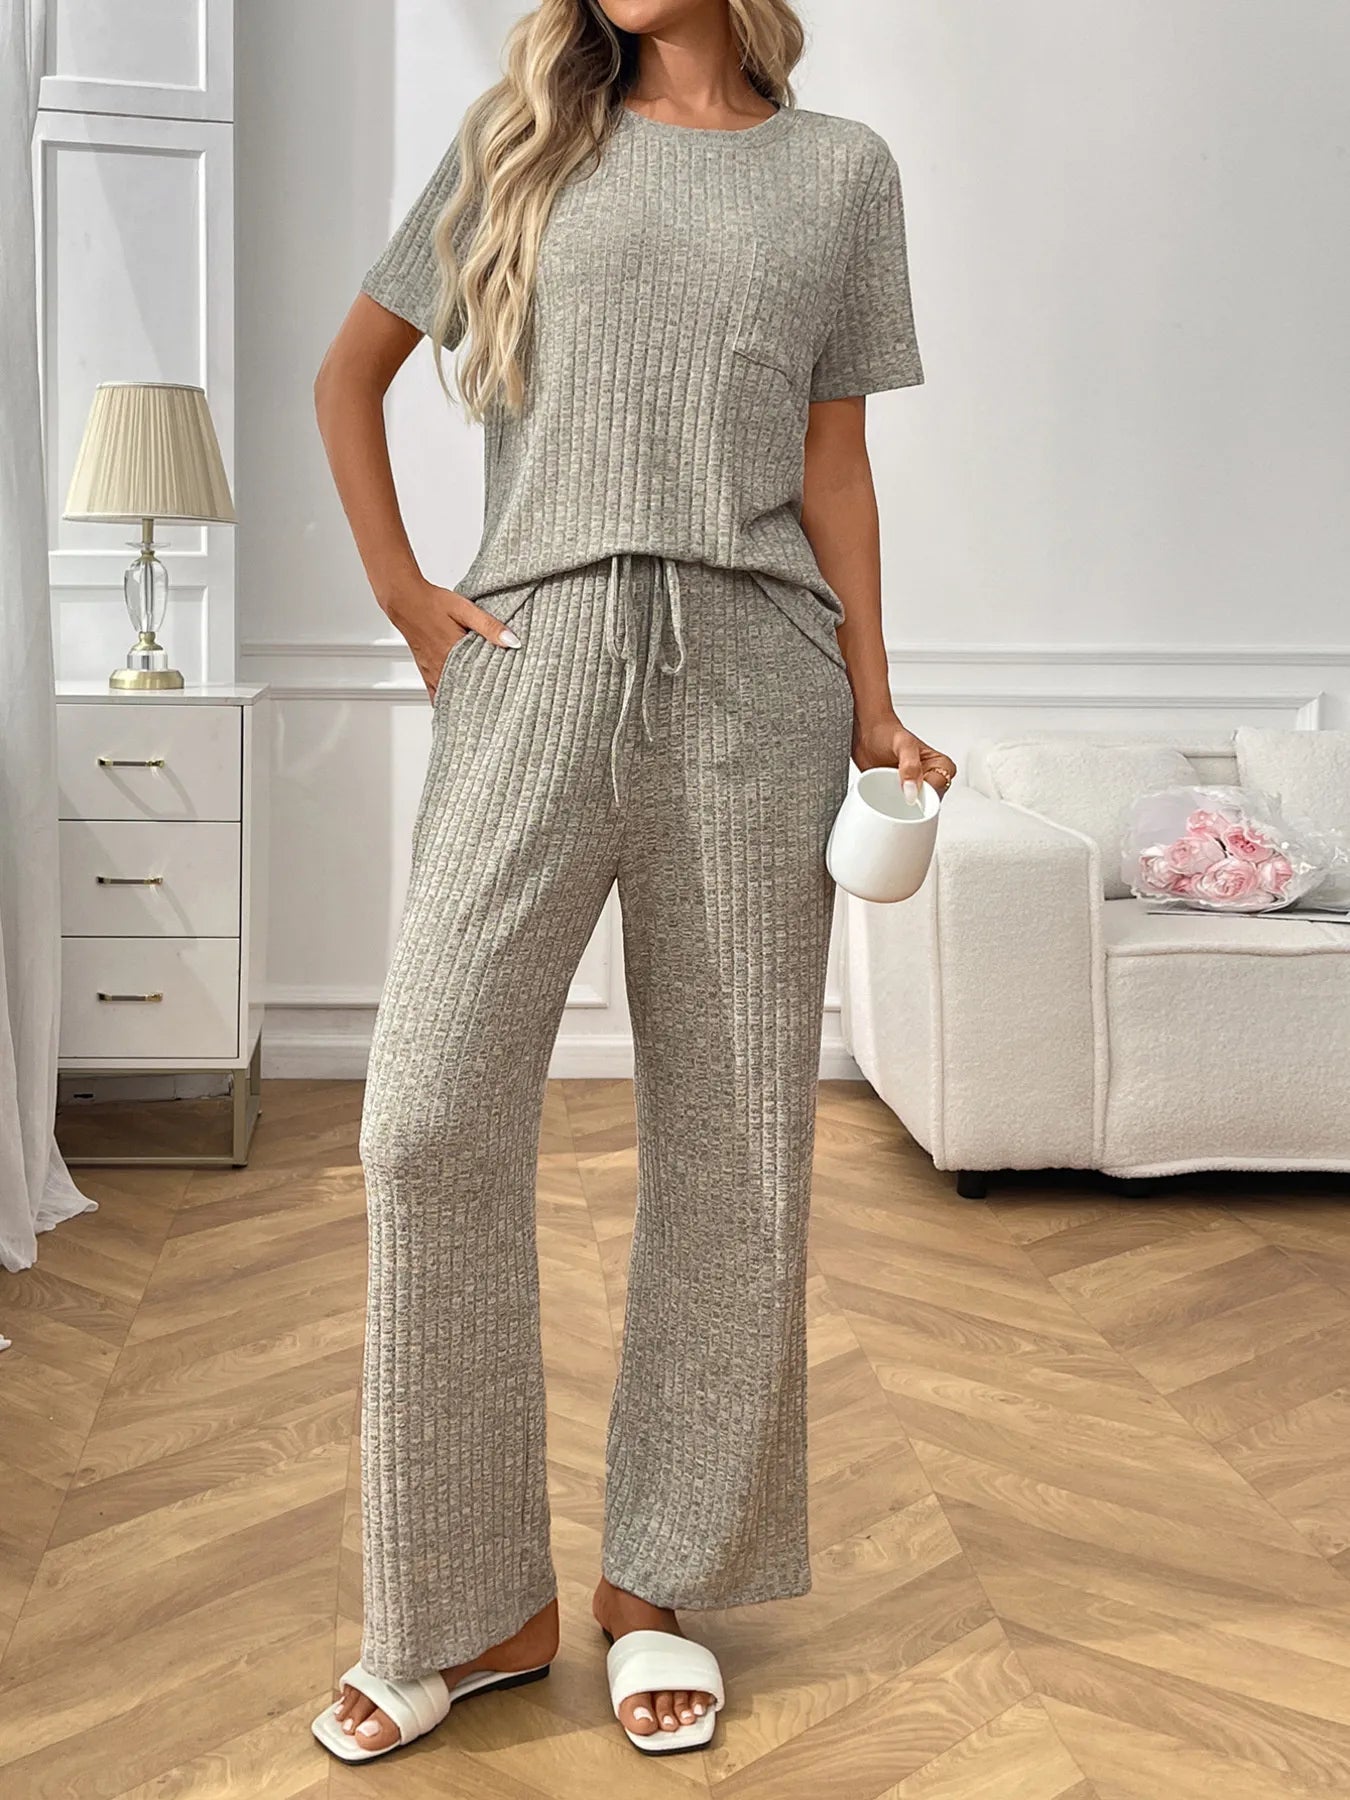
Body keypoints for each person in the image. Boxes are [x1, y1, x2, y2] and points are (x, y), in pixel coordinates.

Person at [310, 0, 956, 1764]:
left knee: (735, 1143)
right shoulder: (522, 139)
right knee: (423, 1122)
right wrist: (405, 594)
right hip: (533, 651)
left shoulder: (838, 173)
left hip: (758, 675)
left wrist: (873, 701)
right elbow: (348, 373)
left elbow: (834, 461)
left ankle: (657, 1586)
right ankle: (464, 1608)